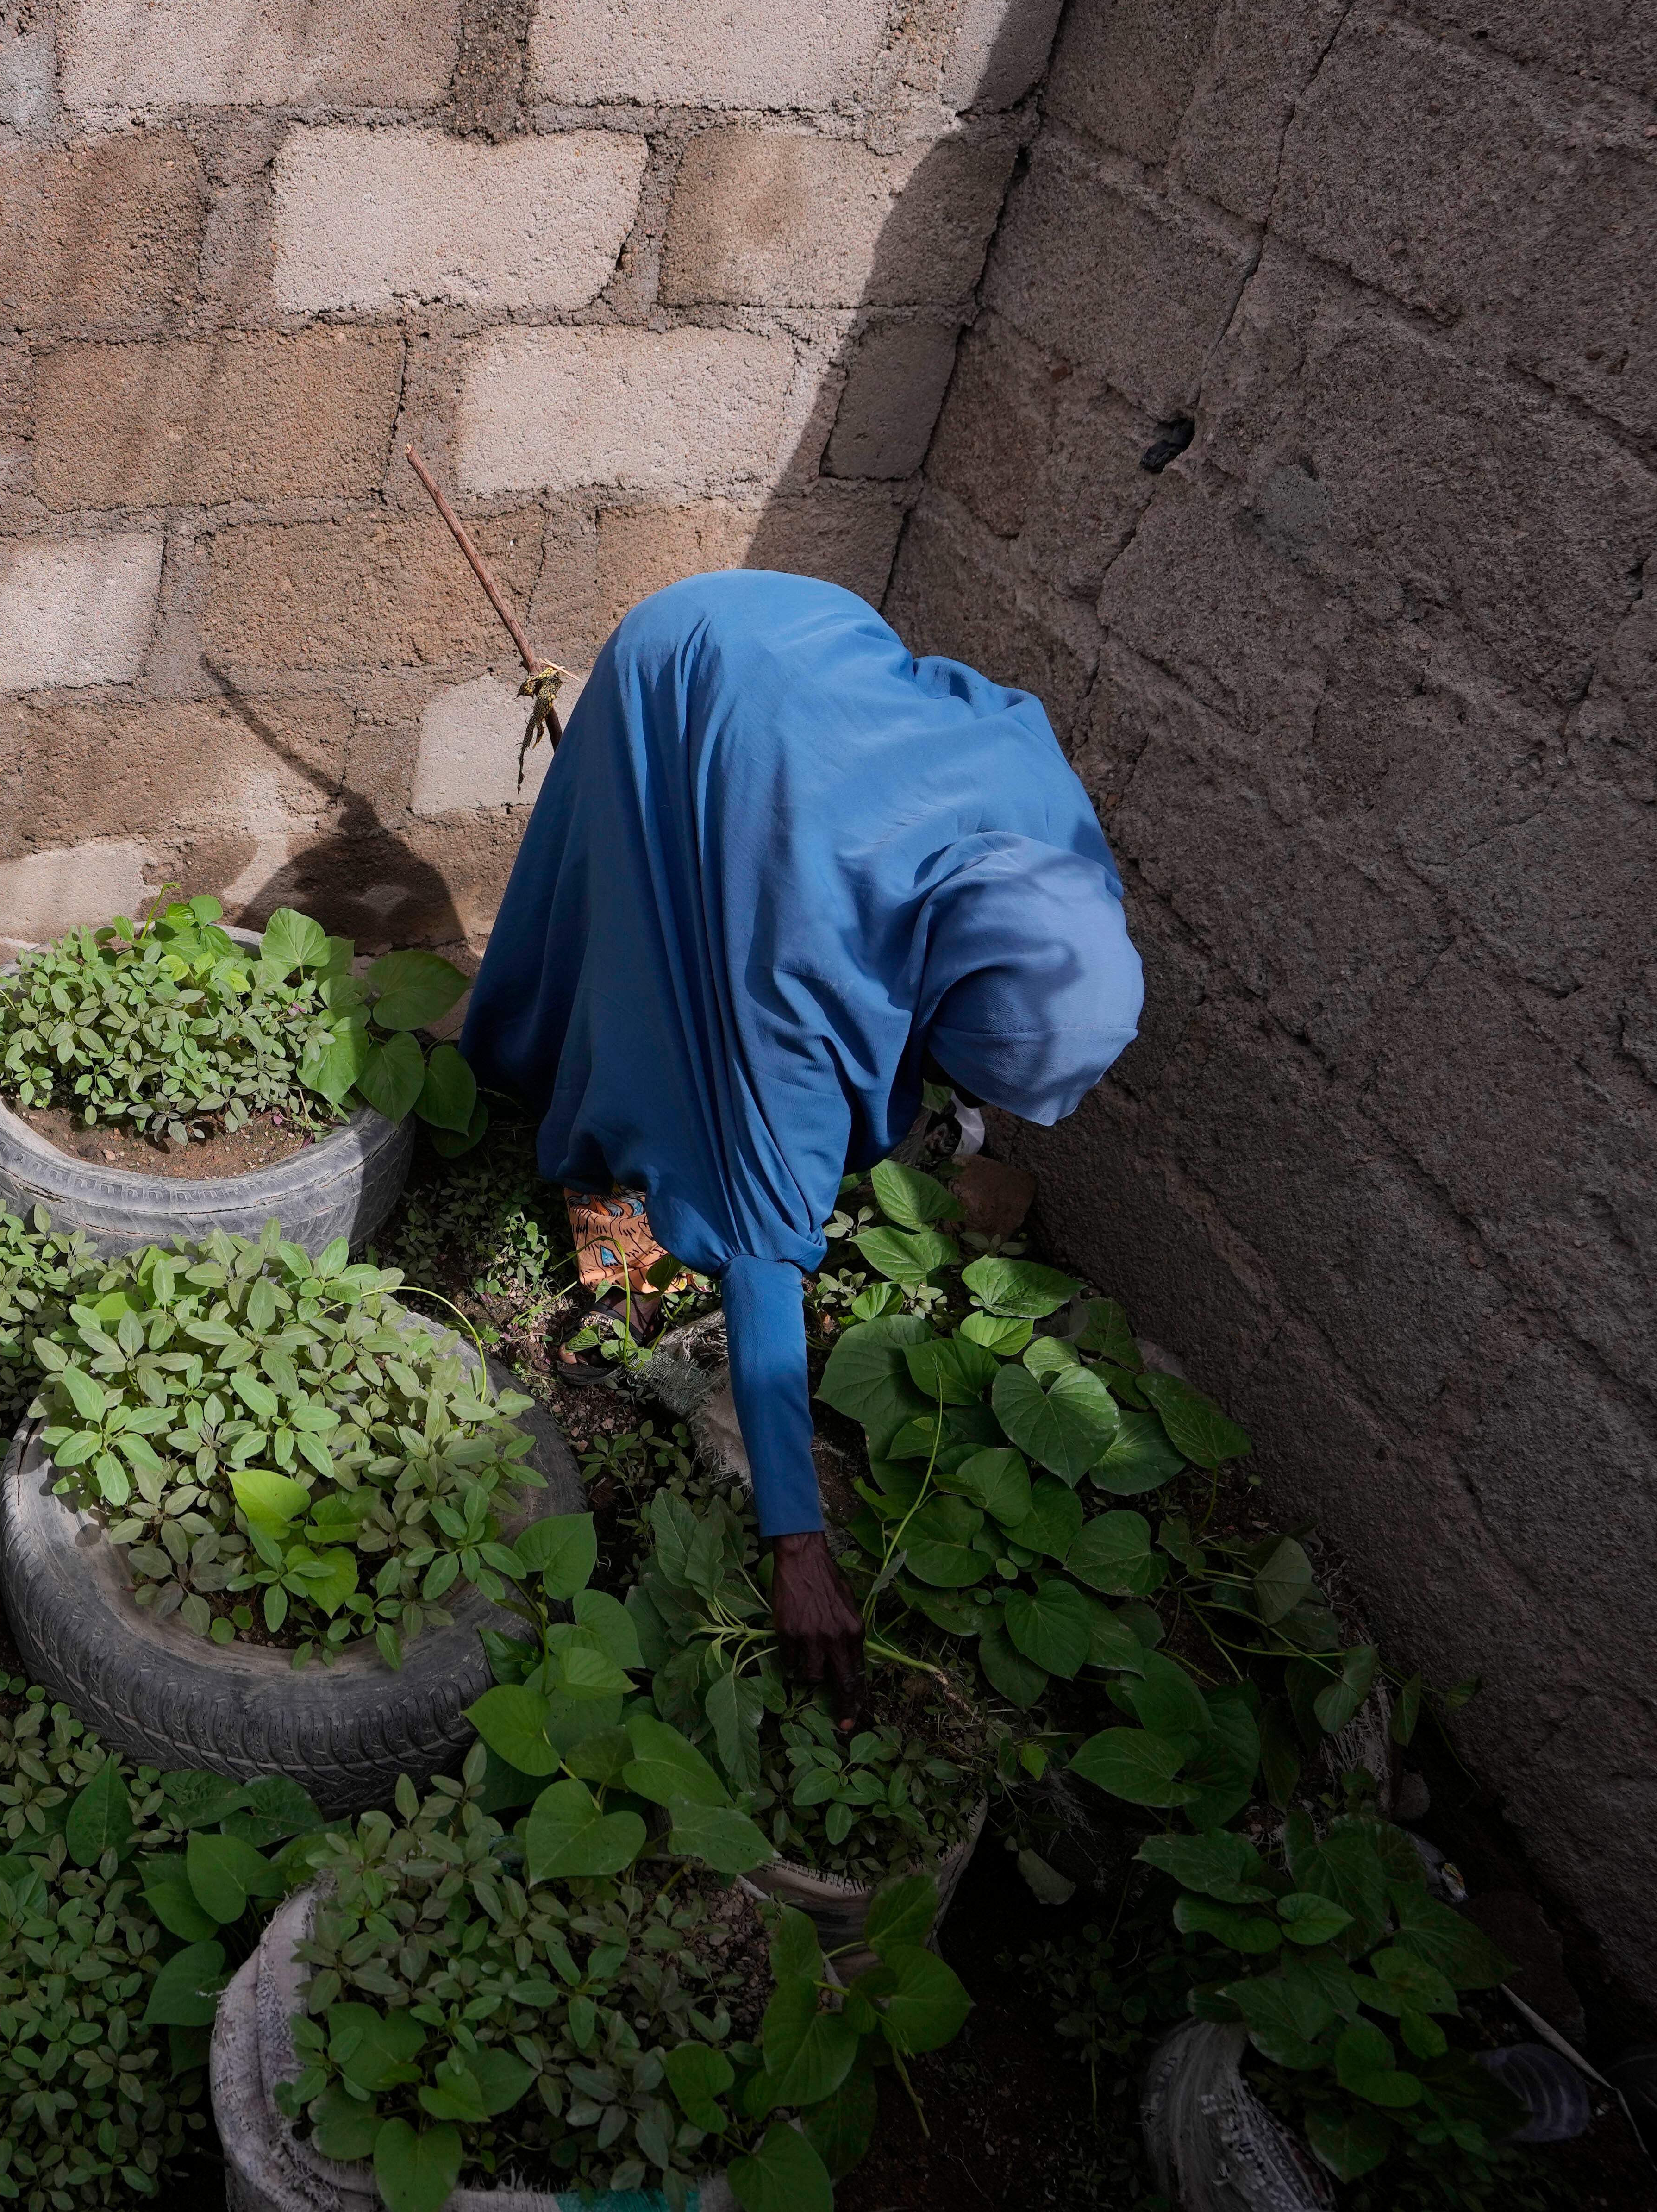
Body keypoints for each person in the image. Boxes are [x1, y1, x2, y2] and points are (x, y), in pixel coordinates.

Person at [459, 571, 1144, 1687]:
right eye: (953, 1069)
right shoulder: (797, 980)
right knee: (642, 990)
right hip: (691, 670)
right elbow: (766, 1240)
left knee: (711, 1024)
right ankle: (612, 1217)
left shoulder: (1062, 870)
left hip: (817, 640)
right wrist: (797, 1542)